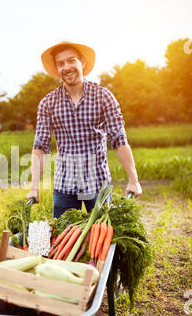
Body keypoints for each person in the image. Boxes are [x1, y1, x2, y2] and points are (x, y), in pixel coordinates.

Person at [27, 40, 142, 218]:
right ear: (57, 69)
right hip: (64, 186)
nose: (66, 67)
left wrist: (133, 180)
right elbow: (40, 146)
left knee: (103, 239)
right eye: (61, 63)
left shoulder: (103, 96)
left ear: (83, 63)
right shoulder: (48, 103)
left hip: (97, 185)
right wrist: (34, 187)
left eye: (71, 60)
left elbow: (119, 140)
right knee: (63, 241)